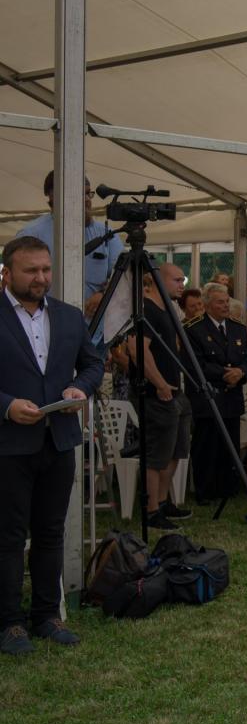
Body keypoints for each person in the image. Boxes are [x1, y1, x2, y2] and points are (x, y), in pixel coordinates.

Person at [0, 236, 103, 656]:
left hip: (58, 441)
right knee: (8, 537)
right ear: (7, 272)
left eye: (45, 269)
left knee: (50, 531)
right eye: (31, 270)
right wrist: (6, 406)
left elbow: (93, 363)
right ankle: (9, 622)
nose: (41, 277)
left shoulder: (68, 316)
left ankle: (46, 615)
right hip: (8, 444)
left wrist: (80, 389)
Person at [127, 262, 193, 529]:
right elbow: (137, 349)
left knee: (175, 451)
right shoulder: (146, 310)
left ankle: (164, 503)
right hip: (156, 395)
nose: (182, 285)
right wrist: (159, 383)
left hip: (175, 392)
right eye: (176, 280)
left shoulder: (168, 309)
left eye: (183, 280)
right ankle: (151, 510)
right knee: (156, 455)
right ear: (156, 280)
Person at [184, 282, 247, 504]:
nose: (225, 306)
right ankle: (205, 490)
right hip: (209, 398)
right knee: (207, 445)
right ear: (207, 305)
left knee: (229, 444)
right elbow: (195, 364)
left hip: (232, 397)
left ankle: (227, 488)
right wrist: (226, 374)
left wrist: (241, 372)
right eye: (220, 302)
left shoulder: (238, 328)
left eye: (226, 301)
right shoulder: (194, 329)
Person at [16, 171, 123, 301]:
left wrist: (103, 294)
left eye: (88, 193)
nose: (87, 200)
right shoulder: (31, 234)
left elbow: (123, 276)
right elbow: (17, 282)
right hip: (48, 313)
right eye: (79, 194)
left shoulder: (106, 233)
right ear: (54, 196)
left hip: (94, 314)